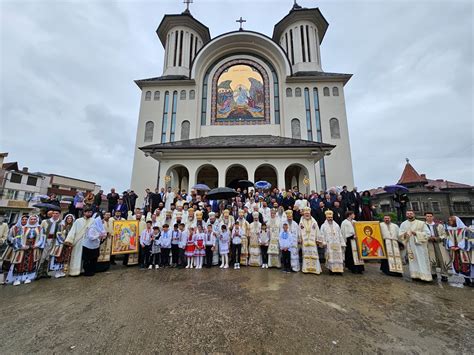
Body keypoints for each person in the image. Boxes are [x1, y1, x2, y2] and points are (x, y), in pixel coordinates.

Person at [7, 215, 41, 286]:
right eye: (31, 219)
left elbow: (42, 238)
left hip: (33, 248)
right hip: (23, 248)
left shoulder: (39, 228)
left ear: (37, 220)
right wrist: (21, 246)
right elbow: (18, 237)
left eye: (35, 219)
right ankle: (17, 279)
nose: (33, 220)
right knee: (19, 263)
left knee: (31, 262)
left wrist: (37, 245)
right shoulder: (22, 228)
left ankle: (27, 277)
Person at [399, 210, 432, 282]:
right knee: (413, 260)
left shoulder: (421, 223)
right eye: (407, 214)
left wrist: (416, 233)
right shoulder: (403, 224)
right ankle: (415, 275)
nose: (409, 215)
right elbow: (400, 235)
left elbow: (428, 234)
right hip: (410, 245)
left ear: (414, 214)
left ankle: (425, 276)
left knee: (422, 260)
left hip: (420, 245)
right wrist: (405, 234)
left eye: (411, 213)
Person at [64, 207, 96, 276]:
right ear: (84, 213)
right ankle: (75, 271)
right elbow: (73, 231)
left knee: (86, 257)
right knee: (77, 255)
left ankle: (84, 270)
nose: (89, 213)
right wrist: (69, 240)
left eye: (90, 212)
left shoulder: (93, 221)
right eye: (87, 212)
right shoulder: (78, 221)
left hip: (88, 242)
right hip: (78, 241)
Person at [446, 216, 473, 286]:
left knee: (466, 265)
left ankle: (471, 280)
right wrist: (451, 246)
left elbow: (466, 239)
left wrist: (459, 246)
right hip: (454, 251)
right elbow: (448, 239)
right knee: (458, 266)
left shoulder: (465, 229)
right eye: (449, 221)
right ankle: (466, 280)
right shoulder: (449, 229)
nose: (449, 222)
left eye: (451, 221)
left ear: (455, 222)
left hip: (463, 251)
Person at [425, 212, 450, 282]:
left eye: (430, 216)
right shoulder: (423, 226)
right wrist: (428, 238)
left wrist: (438, 238)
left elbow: (445, 235)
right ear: (425, 217)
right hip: (429, 244)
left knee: (442, 259)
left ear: (433, 217)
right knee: (431, 259)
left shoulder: (439, 226)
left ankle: (444, 275)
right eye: (427, 216)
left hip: (439, 244)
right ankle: (433, 273)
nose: (429, 217)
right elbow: (421, 235)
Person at [37, 209, 62, 279]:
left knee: (49, 256)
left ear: (59, 214)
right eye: (53, 213)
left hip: (54, 240)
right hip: (45, 240)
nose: (54, 214)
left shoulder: (60, 222)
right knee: (43, 256)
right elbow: (40, 231)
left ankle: (45, 272)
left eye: (56, 213)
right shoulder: (45, 221)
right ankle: (39, 273)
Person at [49, 214, 75, 278]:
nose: (69, 220)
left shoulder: (72, 226)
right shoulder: (61, 225)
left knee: (65, 258)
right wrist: (63, 241)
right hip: (61, 244)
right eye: (68, 218)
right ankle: (57, 271)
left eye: (70, 218)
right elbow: (58, 234)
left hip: (68, 244)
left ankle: (62, 271)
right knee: (58, 258)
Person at [299, 207, 322, 274]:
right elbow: (299, 231)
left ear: (310, 213)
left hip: (312, 241)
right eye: (305, 213)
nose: (307, 215)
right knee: (305, 255)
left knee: (314, 254)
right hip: (305, 242)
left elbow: (317, 230)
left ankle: (315, 269)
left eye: (308, 213)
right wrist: (300, 239)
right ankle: (306, 269)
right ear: (303, 214)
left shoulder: (314, 221)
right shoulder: (301, 222)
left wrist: (318, 239)